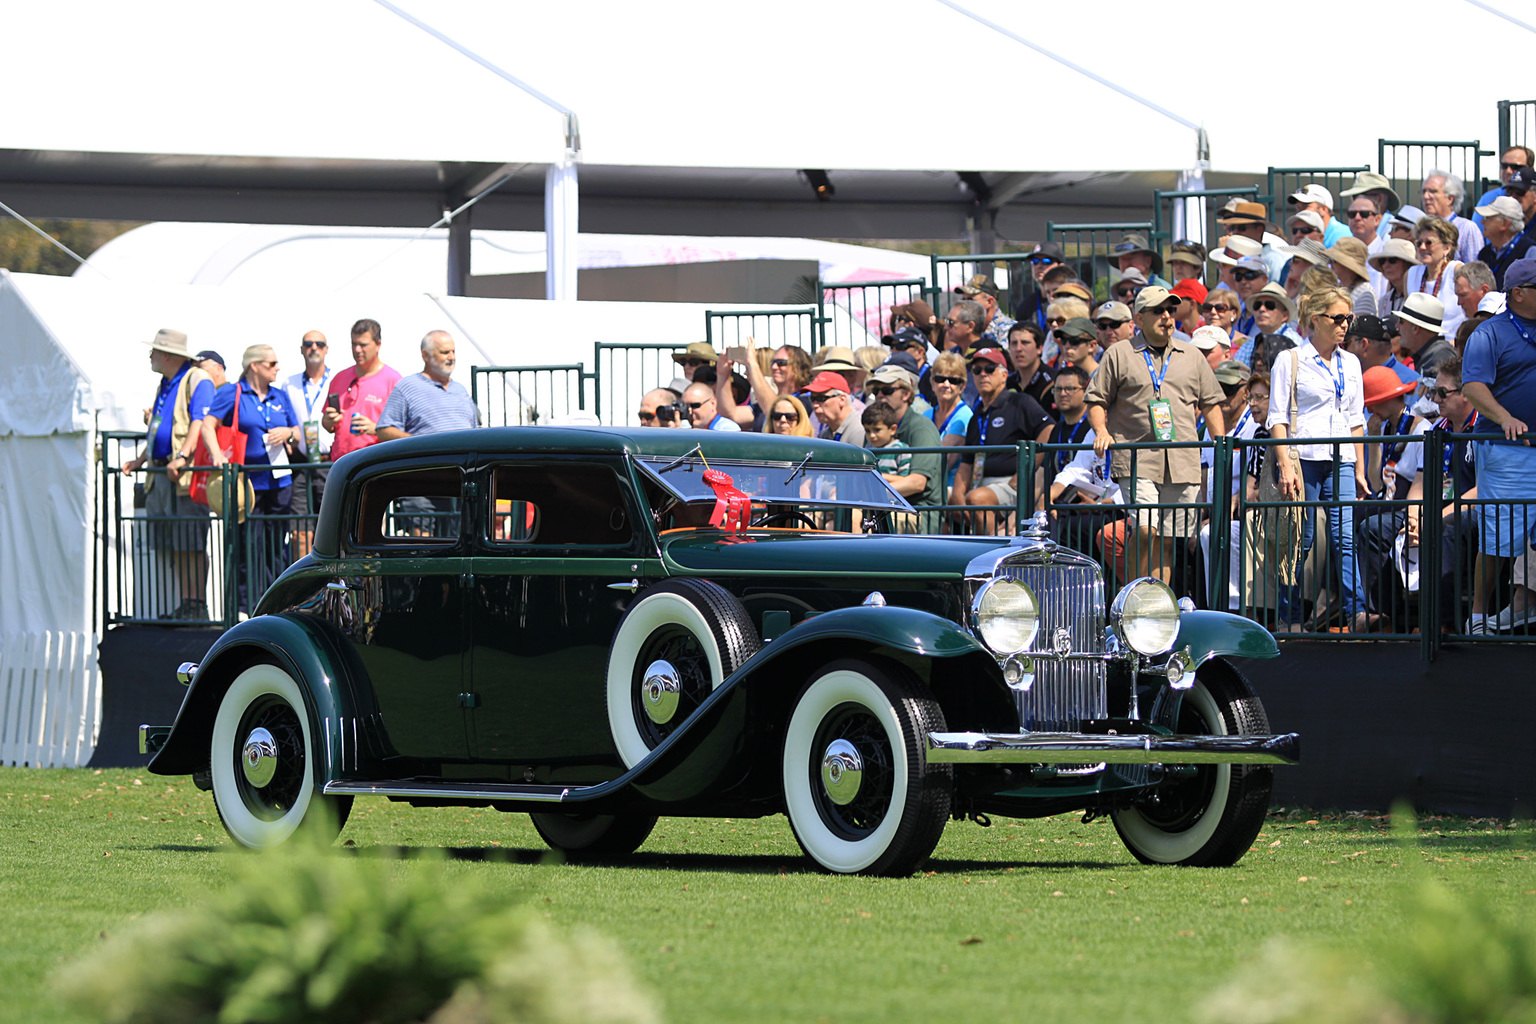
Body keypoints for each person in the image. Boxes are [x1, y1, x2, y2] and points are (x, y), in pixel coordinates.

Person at [1088, 286, 1225, 587]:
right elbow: (1096, 399)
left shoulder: (1192, 355)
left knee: (1166, 540)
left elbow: (1211, 404)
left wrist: (1222, 444)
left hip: (1182, 460)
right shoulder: (1119, 353)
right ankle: (1134, 596)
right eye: (1158, 311)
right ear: (1138, 318)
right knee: (1146, 529)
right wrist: (1101, 431)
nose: (1166, 316)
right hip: (1137, 458)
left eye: (1171, 310)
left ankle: (1155, 606)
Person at [1266, 286, 1368, 631]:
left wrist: (1360, 467)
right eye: (1338, 318)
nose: (1344, 325)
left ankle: (1356, 612)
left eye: (1348, 319)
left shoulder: (1351, 362)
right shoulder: (1291, 359)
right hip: (1302, 457)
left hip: (1340, 458)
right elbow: (1276, 417)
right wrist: (1284, 465)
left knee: (1345, 535)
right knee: (1300, 538)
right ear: (1316, 320)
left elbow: (1356, 419)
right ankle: (1290, 617)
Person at [1462, 258, 1536, 633]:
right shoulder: (1488, 333)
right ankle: (1477, 615)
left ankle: (1523, 607)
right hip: (1507, 451)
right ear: (1519, 294)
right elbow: (1473, 386)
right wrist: (1505, 416)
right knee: (1498, 541)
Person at [122, 328, 217, 620]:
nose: (150, 355)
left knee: (191, 541)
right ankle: (187, 603)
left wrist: (183, 456)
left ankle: (197, 605)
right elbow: (159, 426)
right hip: (162, 473)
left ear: (166, 354)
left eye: (153, 351)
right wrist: (141, 459)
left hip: (184, 476)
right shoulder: (166, 382)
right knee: (177, 543)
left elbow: (200, 422)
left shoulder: (198, 379)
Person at [205, 344, 301, 613]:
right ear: (254, 366)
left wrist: (288, 434)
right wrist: (217, 455)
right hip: (245, 485)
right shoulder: (233, 393)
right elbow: (208, 425)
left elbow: (297, 431)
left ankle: (277, 606)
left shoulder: (279, 395)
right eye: (271, 363)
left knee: (276, 546)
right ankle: (246, 608)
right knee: (249, 546)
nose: (277, 368)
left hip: (279, 481)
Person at [951, 347, 1054, 535]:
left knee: (977, 499)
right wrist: (958, 497)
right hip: (981, 482)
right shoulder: (976, 416)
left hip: (1010, 483)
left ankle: (991, 556)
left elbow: (1049, 428)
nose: (983, 374)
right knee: (951, 502)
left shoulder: (1020, 402)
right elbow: (966, 463)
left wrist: (1027, 468)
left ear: (1004, 374)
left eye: (989, 369)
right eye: (977, 370)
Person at [862, 364, 943, 531]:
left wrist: (870, 497)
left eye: (887, 390)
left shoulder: (921, 427)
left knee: (858, 516)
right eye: (876, 391)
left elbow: (916, 483)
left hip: (918, 511)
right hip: (884, 508)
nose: (880, 395)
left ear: (906, 393)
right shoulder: (875, 428)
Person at [376, 330, 480, 442]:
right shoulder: (407, 387)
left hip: (464, 457)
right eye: (445, 353)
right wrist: (421, 443)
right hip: (430, 459)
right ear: (426, 355)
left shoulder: (460, 389)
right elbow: (384, 431)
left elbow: (474, 429)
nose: (451, 357)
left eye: (453, 352)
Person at [323, 318, 400, 461]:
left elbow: (404, 434)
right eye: (354, 344)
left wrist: (376, 429)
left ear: (378, 344)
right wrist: (328, 421)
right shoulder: (339, 378)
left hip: (374, 466)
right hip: (341, 464)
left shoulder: (393, 381)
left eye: (363, 345)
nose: (357, 350)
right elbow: (328, 426)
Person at [1406, 215, 1466, 340]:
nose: (1422, 247)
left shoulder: (1457, 271)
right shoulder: (1411, 274)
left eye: (1429, 243)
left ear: (1447, 248)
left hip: (1452, 347)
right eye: (1419, 243)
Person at [925, 352, 973, 491]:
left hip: (949, 489)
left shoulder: (965, 416)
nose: (946, 384)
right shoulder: (926, 414)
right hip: (925, 482)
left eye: (953, 380)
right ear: (932, 383)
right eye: (940, 379)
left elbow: (943, 464)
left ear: (962, 386)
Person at [1420, 169, 1484, 265]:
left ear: (1450, 199)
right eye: (1424, 191)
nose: (1426, 196)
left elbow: (1475, 273)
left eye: (1433, 191)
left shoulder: (1467, 229)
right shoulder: (1421, 229)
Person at [1233, 283, 1301, 371]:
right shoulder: (1249, 345)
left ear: (1285, 315)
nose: (1261, 309)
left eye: (1270, 305)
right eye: (1257, 305)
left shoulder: (1295, 343)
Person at [1474, 196, 1533, 288]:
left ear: (1505, 224)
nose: (1482, 222)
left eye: (1488, 218)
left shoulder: (1529, 251)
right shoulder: (1484, 253)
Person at [1344, 314, 1417, 385]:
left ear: (1364, 344)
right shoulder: (1411, 380)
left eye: (1346, 344)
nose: (1343, 350)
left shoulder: (1411, 384)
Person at [1396, 294, 1456, 379]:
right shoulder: (1432, 354)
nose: (1397, 326)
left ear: (1415, 329)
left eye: (1401, 322)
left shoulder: (1440, 356)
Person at [1473, 146, 1534, 227]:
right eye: (1504, 166)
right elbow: (1478, 233)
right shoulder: (1488, 198)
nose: (1508, 171)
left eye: (1516, 167)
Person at [1340, 170, 1403, 242]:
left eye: (1360, 196)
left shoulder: (1393, 231)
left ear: (1379, 199)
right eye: (1352, 214)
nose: (1357, 217)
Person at [1006, 320, 1055, 412]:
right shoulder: (1008, 384)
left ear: (1040, 348)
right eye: (1014, 343)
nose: (1018, 348)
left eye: (1025, 343)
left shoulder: (1052, 383)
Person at [953, 274, 1016, 344]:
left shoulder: (1008, 330)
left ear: (989, 302)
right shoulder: (970, 329)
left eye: (970, 300)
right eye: (963, 300)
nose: (965, 305)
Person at [807, 371, 864, 447]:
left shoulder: (859, 431)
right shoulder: (825, 434)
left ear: (842, 400)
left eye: (821, 398)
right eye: (812, 398)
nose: (815, 405)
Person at [1327, 238, 1378, 318]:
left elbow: (1360, 328)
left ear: (1347, 265)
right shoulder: (1338, 288)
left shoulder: (1364, 293)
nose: (1329, 263)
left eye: (1333, 260)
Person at [862, 403, 911, 485]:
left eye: (877, 430)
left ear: (892, 429)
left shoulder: (900, 450)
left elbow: (904, 480)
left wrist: (877, 476)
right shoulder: (867, 450)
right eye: (867, 431)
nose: (872, 435)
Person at [1369, 237, 1417, 316]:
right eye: (1382, 261)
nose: (1386, 265)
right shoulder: (1383, 301)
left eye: (1392, 260)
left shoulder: (1417, 297)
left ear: (1407, 264)